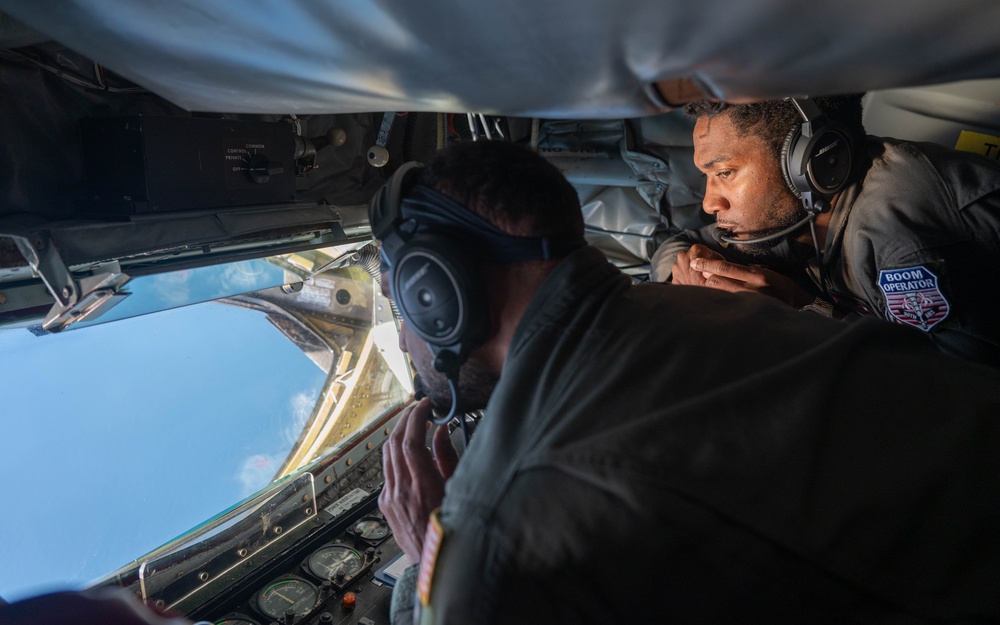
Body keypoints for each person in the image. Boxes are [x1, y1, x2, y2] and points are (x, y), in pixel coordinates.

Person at [373, 140, 1000, 624]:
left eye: (404, 311)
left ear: (437, 293)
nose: (404, 340)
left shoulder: (499, 522)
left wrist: (433, 552)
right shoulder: (708, 305)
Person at [649, 95, 1000, 368]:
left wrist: (801, 310)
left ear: (812, 162)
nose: (710, 204)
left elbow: (956, 389)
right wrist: (687, 268)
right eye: (706, 178)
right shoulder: (794, 212)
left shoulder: (901, 239)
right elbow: (683, 242)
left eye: (725, 173)